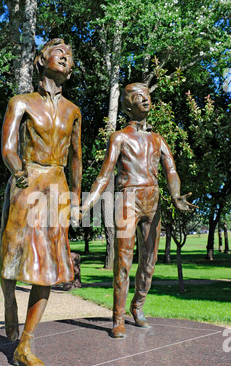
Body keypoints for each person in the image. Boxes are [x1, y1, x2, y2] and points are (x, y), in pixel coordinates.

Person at [81, 82, 196, 339]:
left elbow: (172, 171)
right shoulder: (119, 137)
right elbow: (104, 175)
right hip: (127, 199)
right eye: (138, 96)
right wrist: (87, 203)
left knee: (150, 261)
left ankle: (138, 306)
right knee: (123, 261)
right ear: (127, 105)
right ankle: (118, 318)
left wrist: (176, 195)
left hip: (152, 200)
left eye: (147, 96)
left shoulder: (158, 139)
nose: (145, 100)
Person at [0, 39, 82, 366]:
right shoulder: (21, 102)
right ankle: (8, 303)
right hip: (26, 180)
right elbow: (7, 147)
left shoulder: (73, 111)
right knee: (12, 252)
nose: (66, 57)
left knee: (47, 267)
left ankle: (26, 343)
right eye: (59, 52)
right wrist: (18, 171)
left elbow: (76, 156)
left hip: (57, 186)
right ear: (40, 59)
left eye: (70, 56)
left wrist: (75, 194)